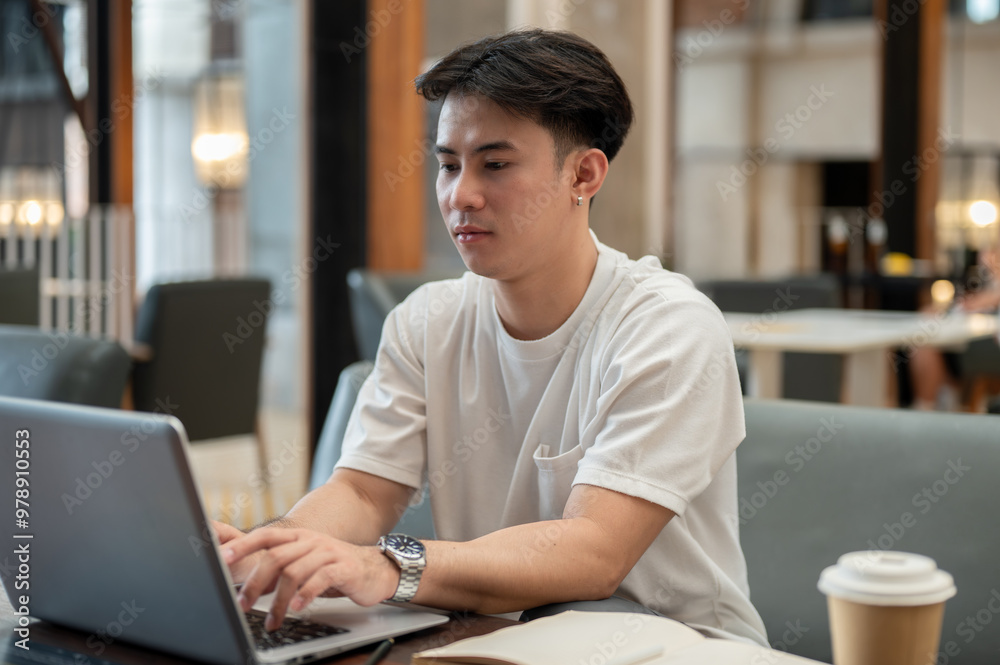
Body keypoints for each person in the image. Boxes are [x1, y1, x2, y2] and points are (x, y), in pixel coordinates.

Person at [216, 28, 767, 646]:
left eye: (495, 165)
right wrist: (274, 549)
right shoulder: (425, 321)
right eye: (448, 165)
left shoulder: (668, 328)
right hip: (496, 639)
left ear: (584, 174)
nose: (461, 195)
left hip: (674, 646)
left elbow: (593, 552)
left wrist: (388, 567)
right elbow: (364, 492)